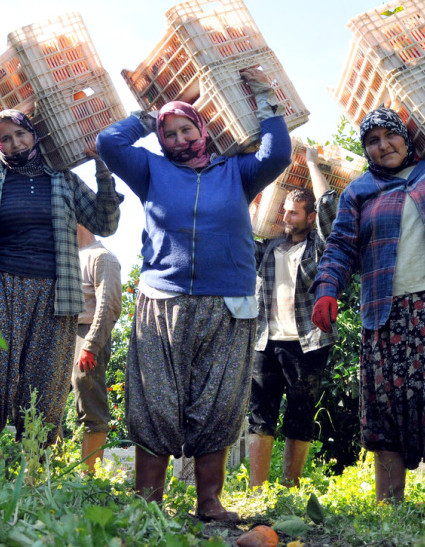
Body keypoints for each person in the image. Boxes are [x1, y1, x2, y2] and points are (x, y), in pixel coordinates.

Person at [96, 67, 291, 521]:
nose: (181, 139)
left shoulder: (236, 173)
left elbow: (277, 153)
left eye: (187, 128)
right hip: (163, 302)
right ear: (161, 142)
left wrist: (265, 103)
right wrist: (147, 117)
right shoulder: (150, 171)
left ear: (203, 129)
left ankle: (209, 503)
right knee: (155, 400)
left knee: (219, 402)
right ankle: (148, 500)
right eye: (171, 133)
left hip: (228, 302)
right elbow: (108, 145)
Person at [310, 62, 425, 508]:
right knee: (386, 407)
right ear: (365, 149)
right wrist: (327, 288)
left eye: (390, 135)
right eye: (372, 140)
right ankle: (389, 508)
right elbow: (339, 247)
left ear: (406, 138)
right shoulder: (359, 192)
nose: (383, 144)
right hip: (387, 314)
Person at [0, 109, 121, 473]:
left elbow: (106, 221)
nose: (14, 143)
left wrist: (101, 166)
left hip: (56, 296)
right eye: (5, 138)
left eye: (20, 134)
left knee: (45, 384)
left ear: (34, 135)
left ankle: (34, 477)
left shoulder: (63, 180)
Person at [248, 145, 338, 488]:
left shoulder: (318, 246)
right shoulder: (270, 247)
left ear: (309, 217)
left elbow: (329, 205)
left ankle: (290, 486)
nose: (287, 218)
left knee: (300, 414)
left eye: (295, 213)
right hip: (266, 340)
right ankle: (257, 489)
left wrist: (313, 164)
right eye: (284, 211)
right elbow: (240, 238)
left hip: (308, 342)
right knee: (260, 415)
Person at [71, 224, 122, 474]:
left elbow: (109, 305)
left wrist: (91, 345)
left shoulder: (102, 257)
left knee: (91, 408)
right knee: (46, 403)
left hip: (87, 334)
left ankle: (89, 476)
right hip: (62, 333)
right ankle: (50, 471)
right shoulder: (66, 256)